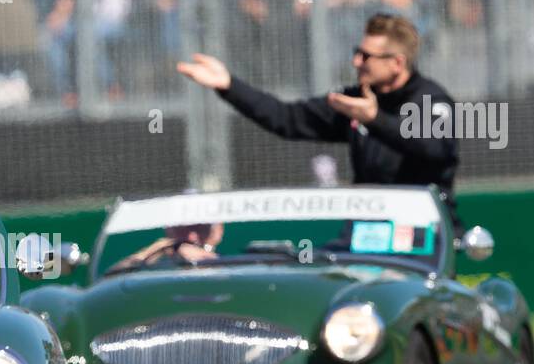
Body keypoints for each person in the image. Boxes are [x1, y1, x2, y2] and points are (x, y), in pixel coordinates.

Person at [176, 12, 462, 230]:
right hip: (369, 228)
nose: (356, 62)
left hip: (425, 230)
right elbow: (286, 119)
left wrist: (375, 119)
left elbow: (435, 147)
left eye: (366, 56)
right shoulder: (355, 100)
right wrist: (228, 85)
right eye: (356, 53)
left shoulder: (431, 100)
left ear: (397, 62)